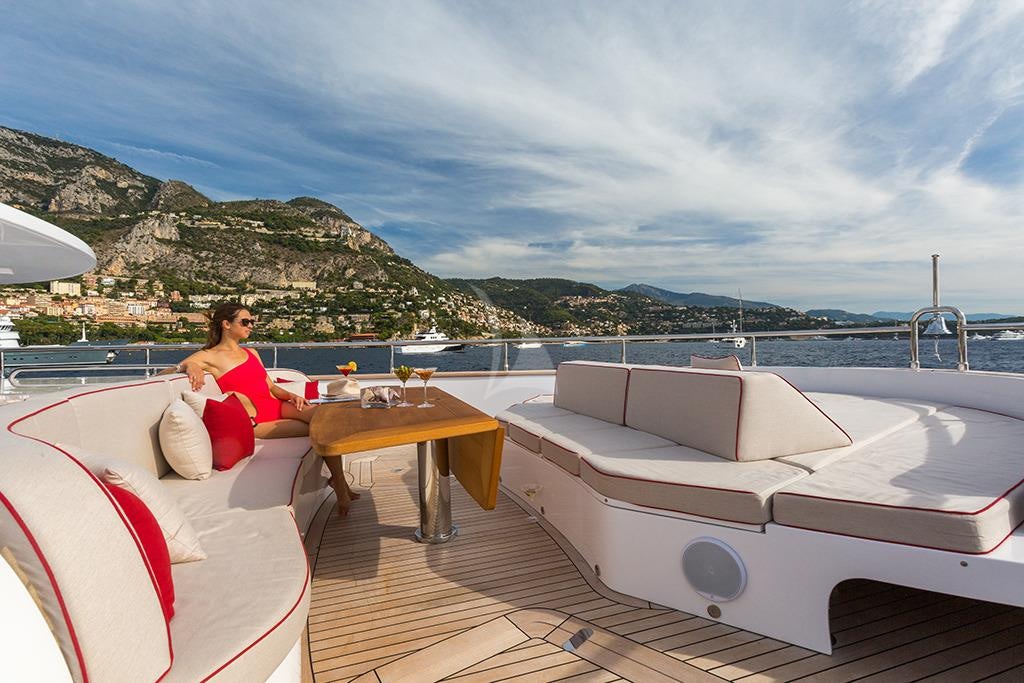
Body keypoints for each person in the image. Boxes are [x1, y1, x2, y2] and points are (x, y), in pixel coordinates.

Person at [169, 302, 359, 516]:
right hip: (257, 420)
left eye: (252, 321)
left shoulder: (252, 352)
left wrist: (292, 395)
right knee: (320, 431)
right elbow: (166, 373)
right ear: (226, 324)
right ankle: (340, 487)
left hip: (277, 405)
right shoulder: (210, 356)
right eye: (245, 321)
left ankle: (339, 481)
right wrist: (190, 365)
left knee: (327, 420)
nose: (251, 325)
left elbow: (270, 387)